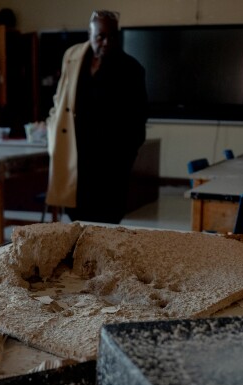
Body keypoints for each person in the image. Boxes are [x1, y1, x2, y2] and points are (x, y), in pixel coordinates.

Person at [46, 10, 147, 224]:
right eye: (100, 36)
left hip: (111, 162)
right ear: (89, 34)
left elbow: (139, 120)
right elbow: (59, 101)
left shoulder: (131, 69)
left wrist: (126, 157)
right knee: (76, 220)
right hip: (76, 157)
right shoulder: (72, 57)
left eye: (112, 36)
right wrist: (52, 133)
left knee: (107, 222)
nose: (106, 42)